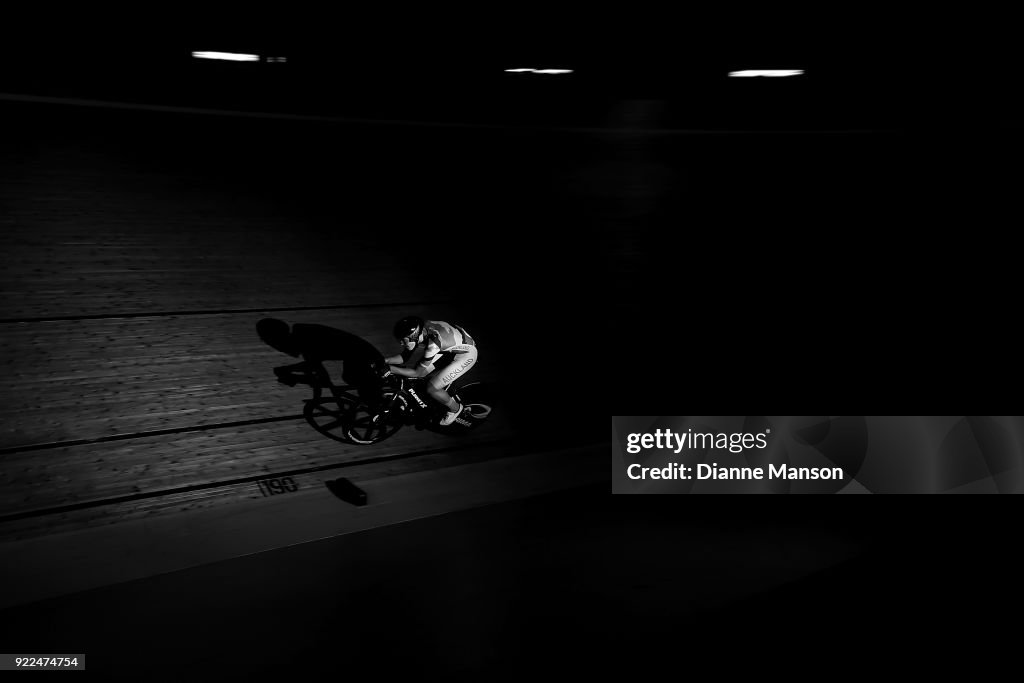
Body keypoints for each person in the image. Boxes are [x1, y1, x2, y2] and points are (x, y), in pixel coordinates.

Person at [256, 318, 383, 403]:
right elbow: (318, 373)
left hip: (364, 355)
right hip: (358, 353)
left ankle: (384, 407)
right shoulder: (301, 333)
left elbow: (320, 376)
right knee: (352, 379)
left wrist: (290, 373)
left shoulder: (305, 339)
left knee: (355, 380)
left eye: (270, 342)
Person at [383, 316, 477, 426]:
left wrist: (391, 369)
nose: (401, 344)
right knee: (421, 376)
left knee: (432, 388)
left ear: (413, 337)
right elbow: (404, 358)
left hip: (466, 355)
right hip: (449, 347)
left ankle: (456, 409)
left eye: (403, 340)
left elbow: (418, 373)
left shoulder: (433, 344)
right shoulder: (419, 334)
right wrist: (383, 361)